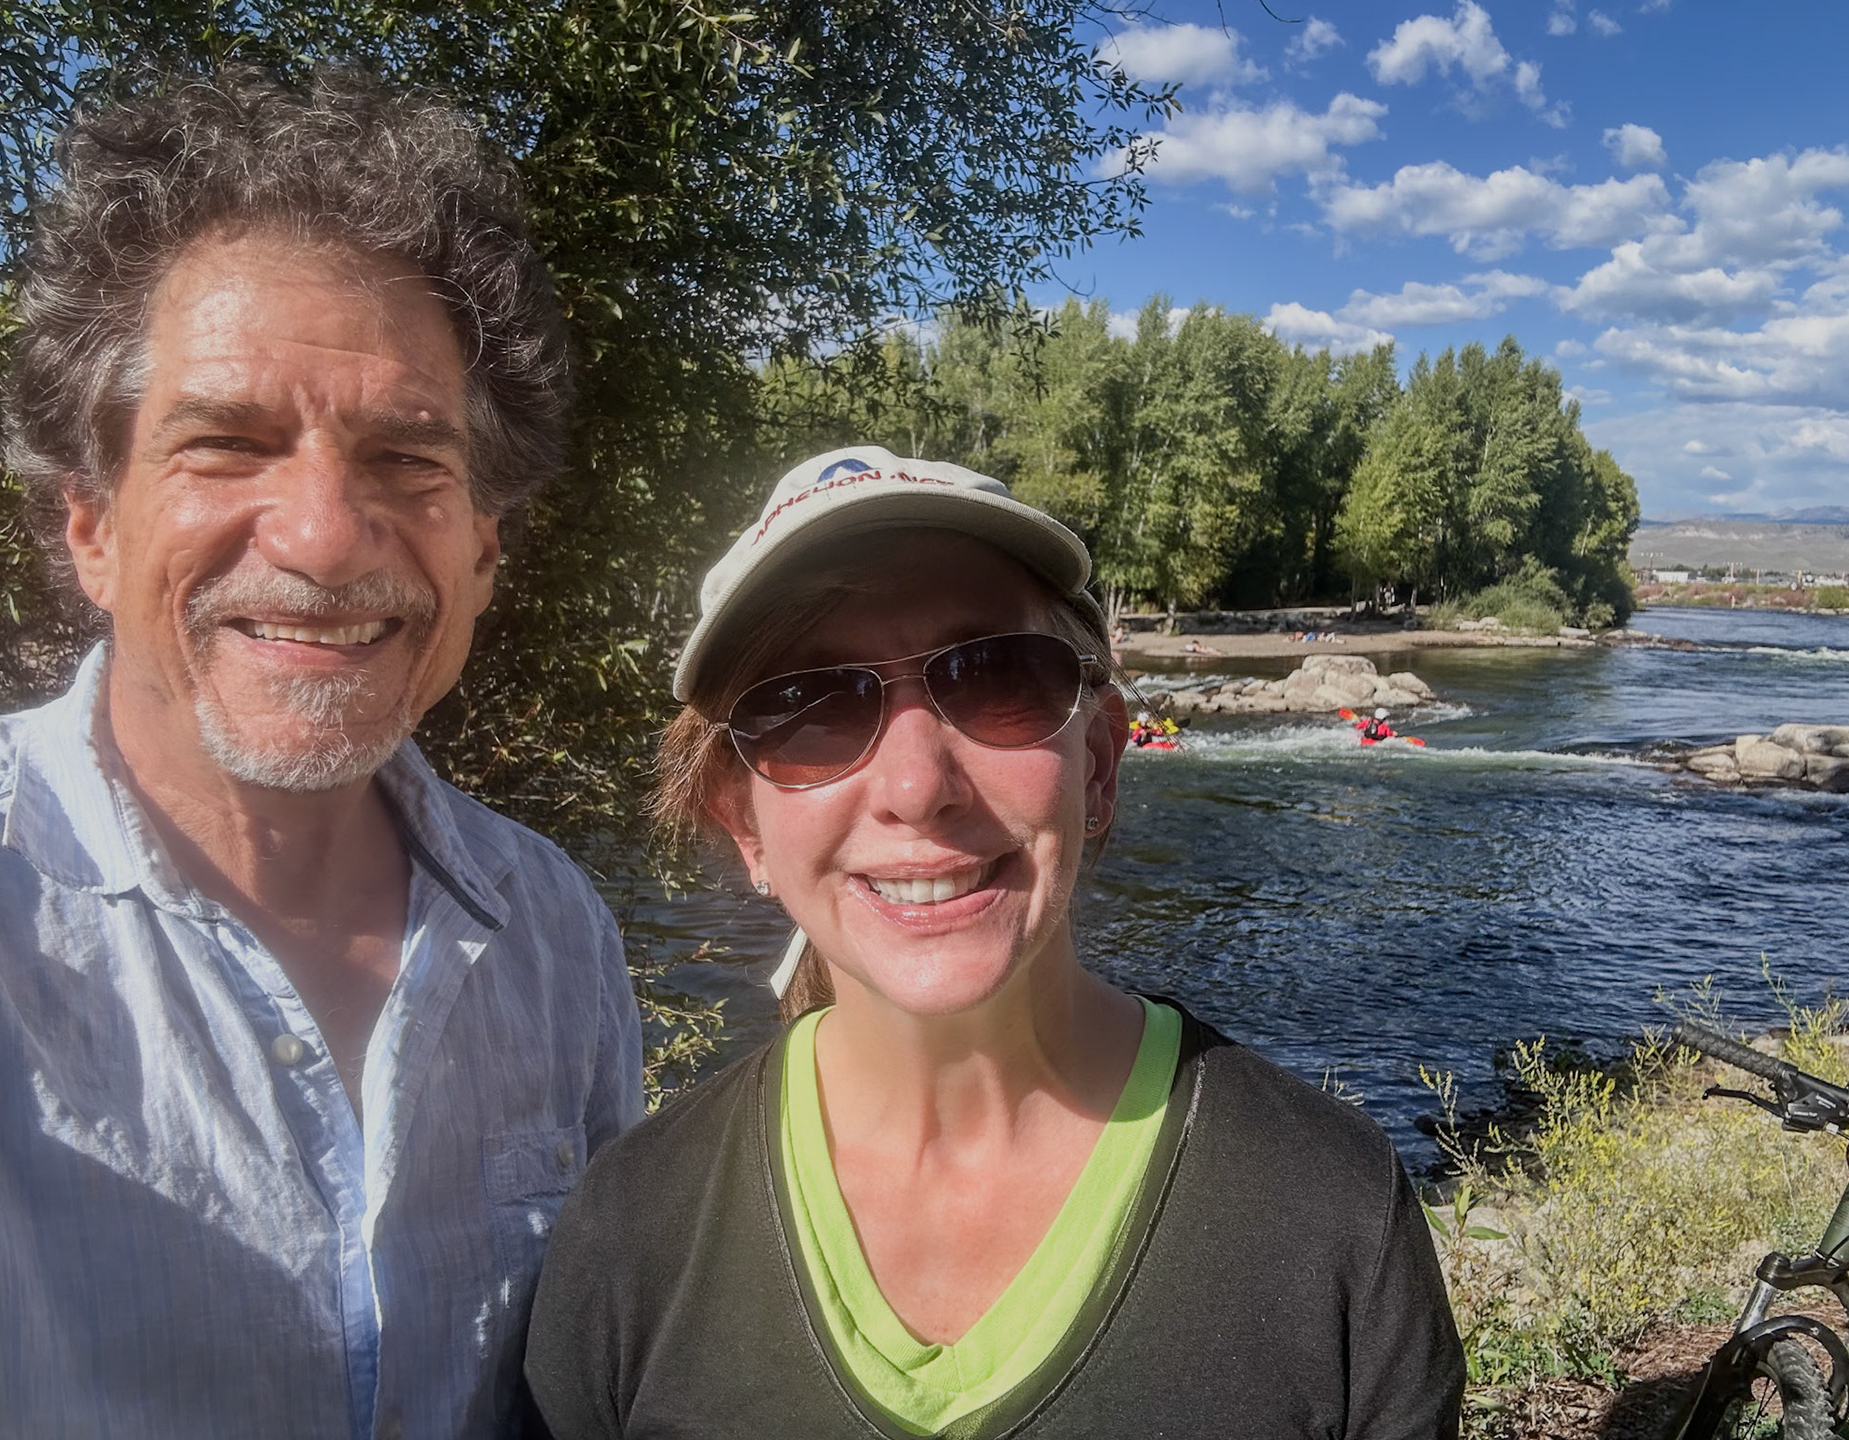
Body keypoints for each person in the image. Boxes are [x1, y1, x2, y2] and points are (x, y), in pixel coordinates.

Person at [524, 447, 1463, 1438]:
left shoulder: (1327, 1214)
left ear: (1098, 764)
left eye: (994, 678)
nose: (918, 785)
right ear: (745, 824)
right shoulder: (632, 1237)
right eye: (806, 707)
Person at [0, 70, 644, 1437]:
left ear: (482, 549)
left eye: (410, 459)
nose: (323, 536)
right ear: (92, 528)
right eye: (225, 443)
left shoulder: (556, 937)